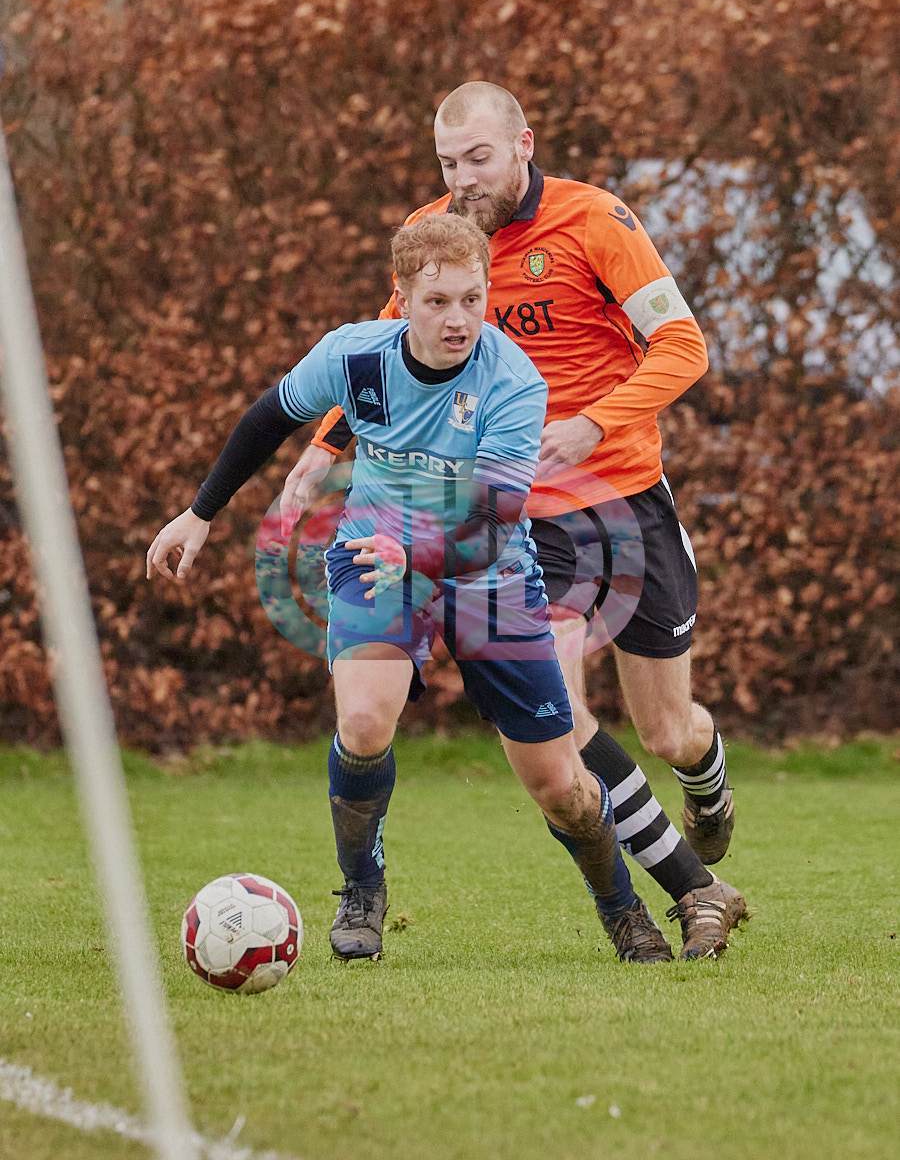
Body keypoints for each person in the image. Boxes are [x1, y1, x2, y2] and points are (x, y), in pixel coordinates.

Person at [281, 82, 747, 961]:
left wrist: (593, 424)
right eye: (448, 163)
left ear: (524, 145)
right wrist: (323, 446)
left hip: (626, 494)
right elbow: (381, 357)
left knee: (667, 730)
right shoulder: (437, 238)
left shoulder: (597, 220)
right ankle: (694, 891)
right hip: (521, 512)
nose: (463, 179)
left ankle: (705, 777)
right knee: (564, 714)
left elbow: (684, 346)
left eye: (479, 159)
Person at [147, 214, 680, 965]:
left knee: (559, 784)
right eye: (437, 302)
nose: (458, 319)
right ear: (402, 297)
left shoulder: (513, 381)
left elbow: (493, 525)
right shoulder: (354, 354)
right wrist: (200, 514)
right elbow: (268, 418)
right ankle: (362, 891)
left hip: (488, 575)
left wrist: (420, 553)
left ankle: (622, 908)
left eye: (472, 299)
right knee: (365, 722)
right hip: (374, 557)